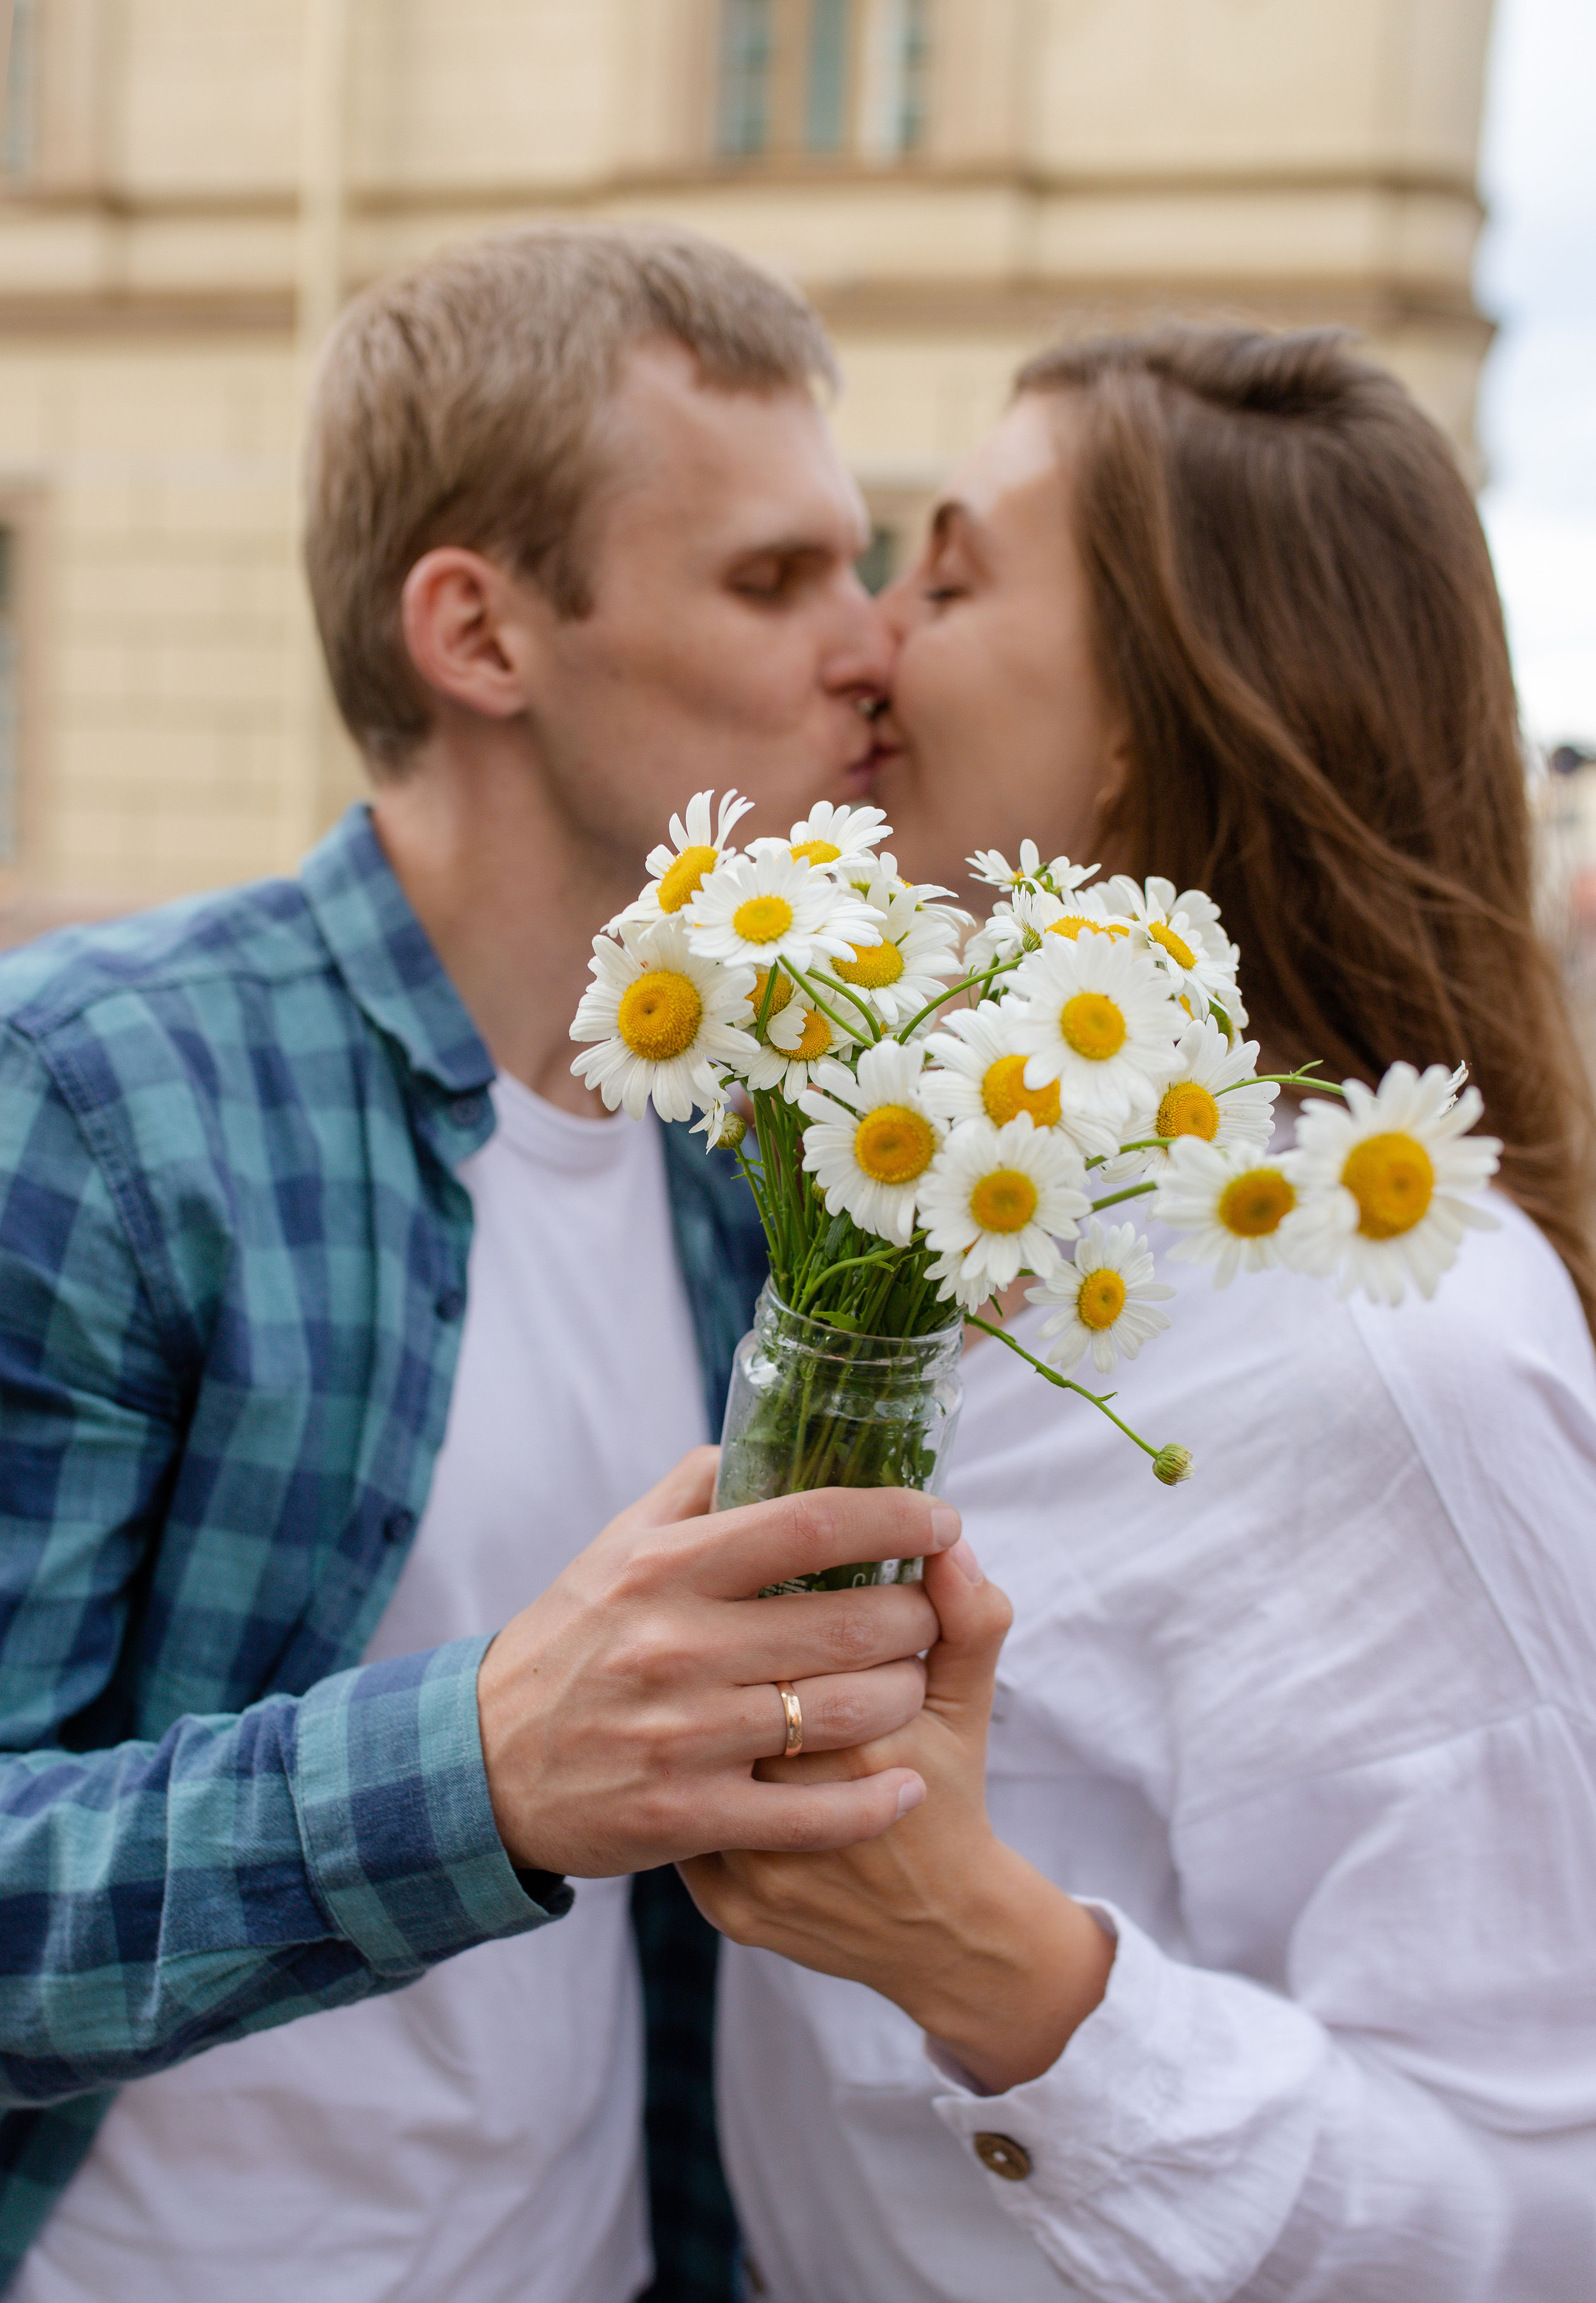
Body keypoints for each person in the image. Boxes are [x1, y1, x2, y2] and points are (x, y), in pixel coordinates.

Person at [0, 225, 953, 2303]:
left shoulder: (776, 1156)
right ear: (480, 631)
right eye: (775, 579)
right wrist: (482, 1772)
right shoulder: (95, 1102)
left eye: (865, 567)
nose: (872, 648)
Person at [689, 327, 1596, 2301]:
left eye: (949, 574)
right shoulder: (974, 1209)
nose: (869, 645)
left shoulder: (1395, 1353)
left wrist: (990, 1955)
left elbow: (1543, 2212)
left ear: (1148, 721)